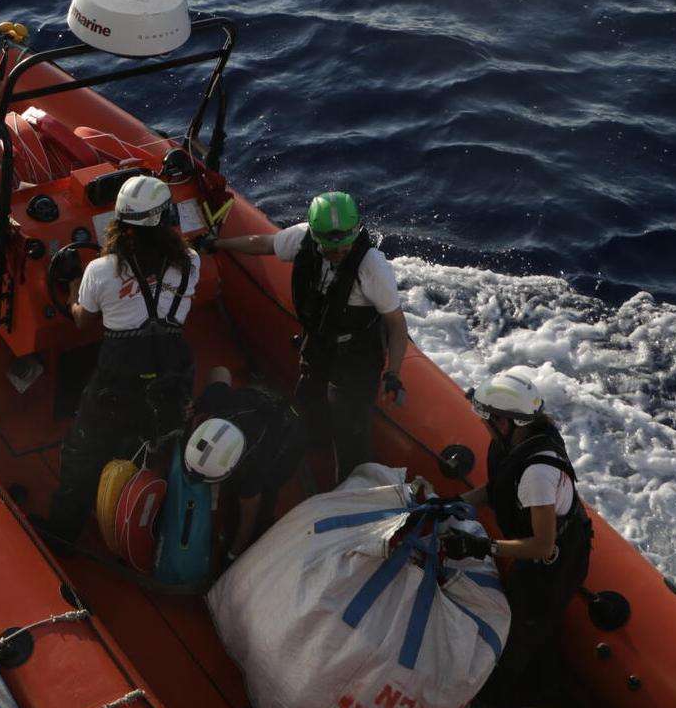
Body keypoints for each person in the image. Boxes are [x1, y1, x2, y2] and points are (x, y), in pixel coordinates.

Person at [43, 175, 200, 542]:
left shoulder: (100, 270)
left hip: (121, 379)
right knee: (159, 436)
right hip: (173, 374)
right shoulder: (192, 261)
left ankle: (64, 535)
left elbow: (82, 319)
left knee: (83, 452)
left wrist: (70, 291)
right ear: (166, 219)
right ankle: (154, 521)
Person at [215, 191, 409, 483]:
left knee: (350, 429)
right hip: (318, 347)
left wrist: (393, 372)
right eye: (331, 248)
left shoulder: (372, 268)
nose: (339, 253)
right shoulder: (302, 239)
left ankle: (349, 486)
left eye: (345, 245)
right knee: (307, 406)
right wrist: (217, 244)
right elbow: (264, 244)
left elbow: (395, 323)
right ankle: (313, 454)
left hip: (355, 358)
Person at [443, 368, 593, 708]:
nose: (483, 425)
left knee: (522, 633)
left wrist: (481, 546)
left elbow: (543, 545)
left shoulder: (537, 474)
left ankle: (498, 700)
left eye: (487, 418)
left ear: (506, 421)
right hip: (538, 549)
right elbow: (496, 490)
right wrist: (453, 505)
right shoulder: (514, 444)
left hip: (555, 563)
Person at [185, 366, 305, 556]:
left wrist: (234, 554)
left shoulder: (254, 468)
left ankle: (254, 539)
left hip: (288, 436)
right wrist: (196, 406)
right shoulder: (217, 401)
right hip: (256, 401)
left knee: (262, 502)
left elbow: (248, 516)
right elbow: (221, 371)